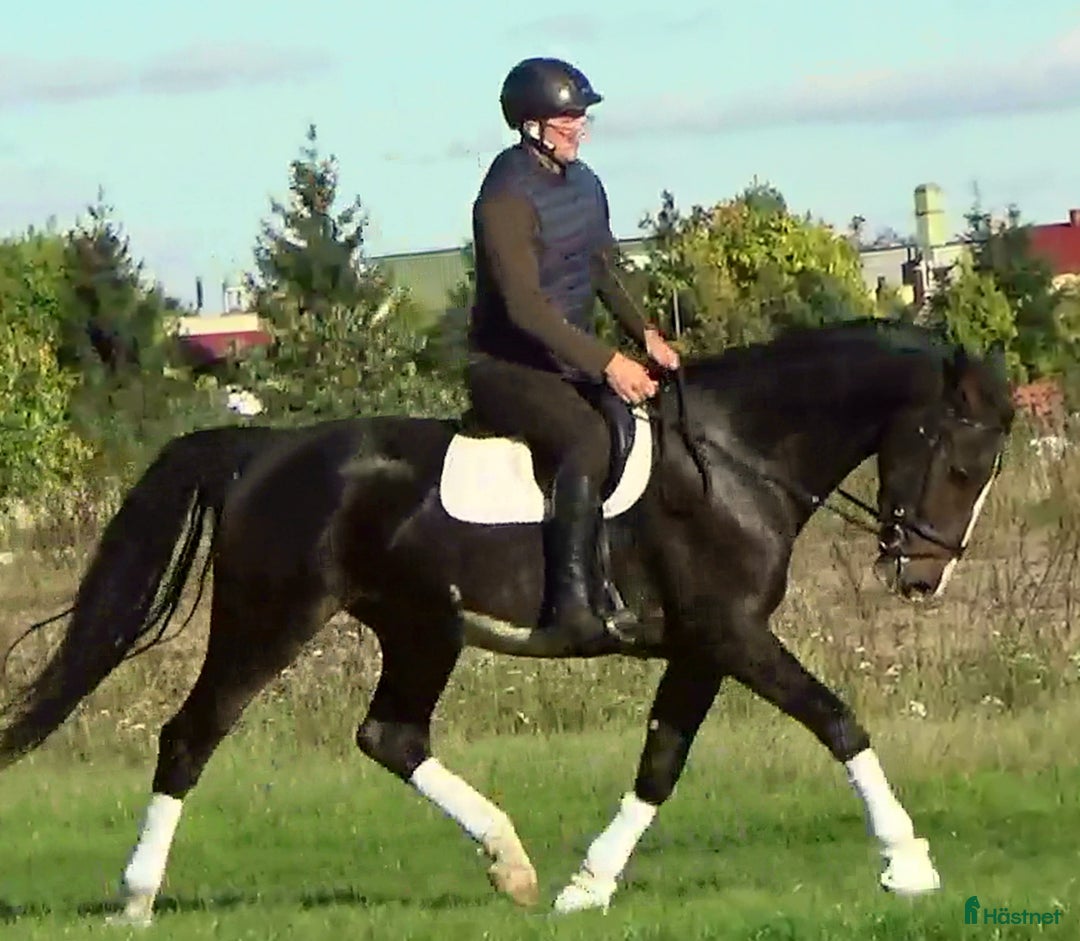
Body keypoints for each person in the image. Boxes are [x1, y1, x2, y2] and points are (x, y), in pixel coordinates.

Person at [466, 56, 681, 649]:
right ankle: (570, 605)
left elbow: (600, 269)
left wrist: (645, 336)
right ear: (530, 125)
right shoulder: (504, 196)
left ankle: (634, 583)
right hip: (507, 368)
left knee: (646, 426)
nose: (578, 128)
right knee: (586, 438)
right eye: (566, 120)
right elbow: (525, 309)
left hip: (567, 363)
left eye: (580, 118)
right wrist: (608, 363)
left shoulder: (585, 184)